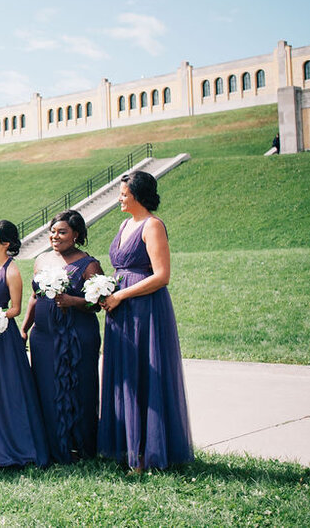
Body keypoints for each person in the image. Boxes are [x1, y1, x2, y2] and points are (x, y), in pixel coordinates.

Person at [99, 171, 193, 471]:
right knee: (124, 373)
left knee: (143, 373)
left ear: (137, 195)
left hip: (144, 309)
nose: (120, 198)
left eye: (124, 194)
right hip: (119, 308)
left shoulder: (152, 226)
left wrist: (122, 294)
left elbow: (162, 276)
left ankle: (146, 453)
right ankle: (127, 447)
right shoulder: (125, 224)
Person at [21, 210, 103, 464]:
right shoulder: (42, 260)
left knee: (79, 387)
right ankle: (52, 445)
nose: (55, 236)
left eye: (62, 232)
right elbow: (34, 297)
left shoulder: (89, 264)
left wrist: (72, 300)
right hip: (44, 336)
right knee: (46, 388)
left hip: (78, 336)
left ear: (76, 234)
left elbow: (98, 303)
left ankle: (80, 446)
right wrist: (24, 329)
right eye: (52, 232)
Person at [0, 220, 49, 474]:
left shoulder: (12, 271)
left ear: (5, 243)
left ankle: (16, 446)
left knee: (8, 389)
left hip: (4, 338)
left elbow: (15, 308)